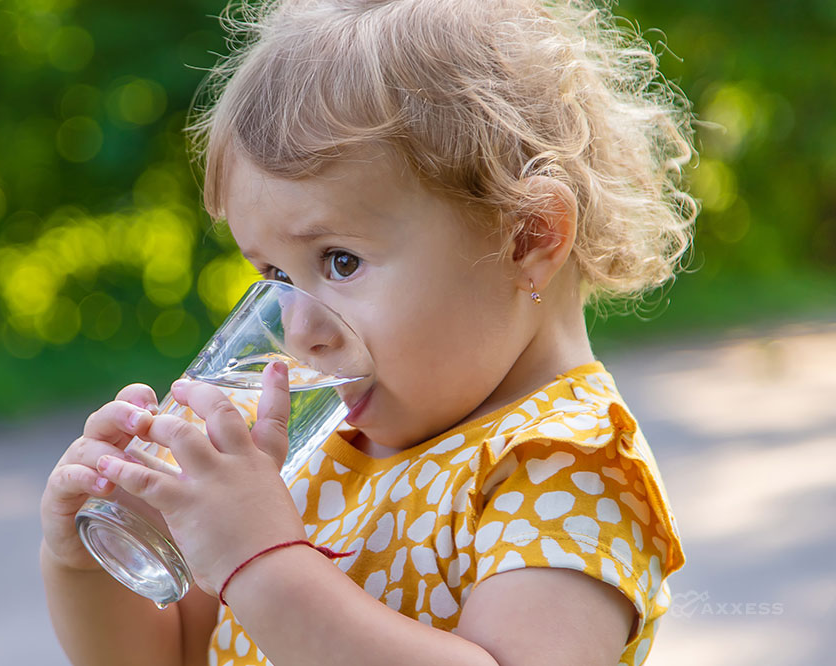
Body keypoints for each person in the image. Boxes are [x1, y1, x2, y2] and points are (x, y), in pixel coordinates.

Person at [40, 0, 696, 664]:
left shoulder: (566, 463)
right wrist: (83, 566)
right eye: (275, 276)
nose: (299, 330)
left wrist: (264, 562)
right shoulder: (303, 450)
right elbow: (170, 656)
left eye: (340, 261)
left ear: (527, 237)